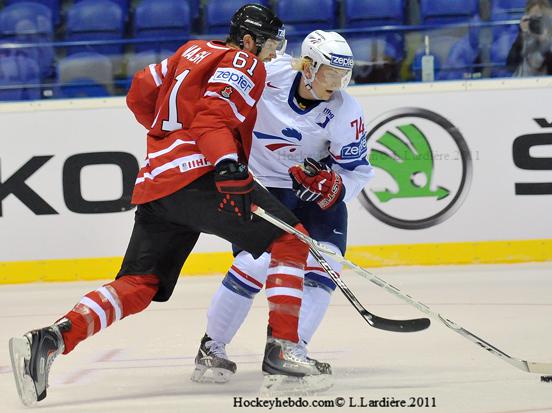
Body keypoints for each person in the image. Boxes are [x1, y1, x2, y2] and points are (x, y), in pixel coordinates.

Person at [8, 4, 328, 407]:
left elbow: (140, 89)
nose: (272, 52)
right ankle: (283, 350)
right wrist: (226, 163)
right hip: (201, 175)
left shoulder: (189, 51)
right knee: (292, 239)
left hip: (157, 183)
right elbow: (212, 118)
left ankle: (51, 338)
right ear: (248, 39)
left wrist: (166, 136)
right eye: (268, 44)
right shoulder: (243, 61)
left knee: (141, 284)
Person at [191, 30, 374, 384]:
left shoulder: (346, 111)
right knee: (256, 263)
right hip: (263, 187)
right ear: (308, 66)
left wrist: (334, 188)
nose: (336, 83)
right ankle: (211, 346)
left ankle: (293, 350)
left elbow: (357, 172)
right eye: (329, 73)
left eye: (342, 75)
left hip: (314, 193)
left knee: (325, 265)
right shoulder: (267, 74)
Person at [507, 0, 552, 77]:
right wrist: (521, 35)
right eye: (534, 19)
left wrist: (544, 43)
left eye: (541, 18)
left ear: (550, 18)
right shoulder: (522, 41)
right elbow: (510, 67)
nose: (538, 23)